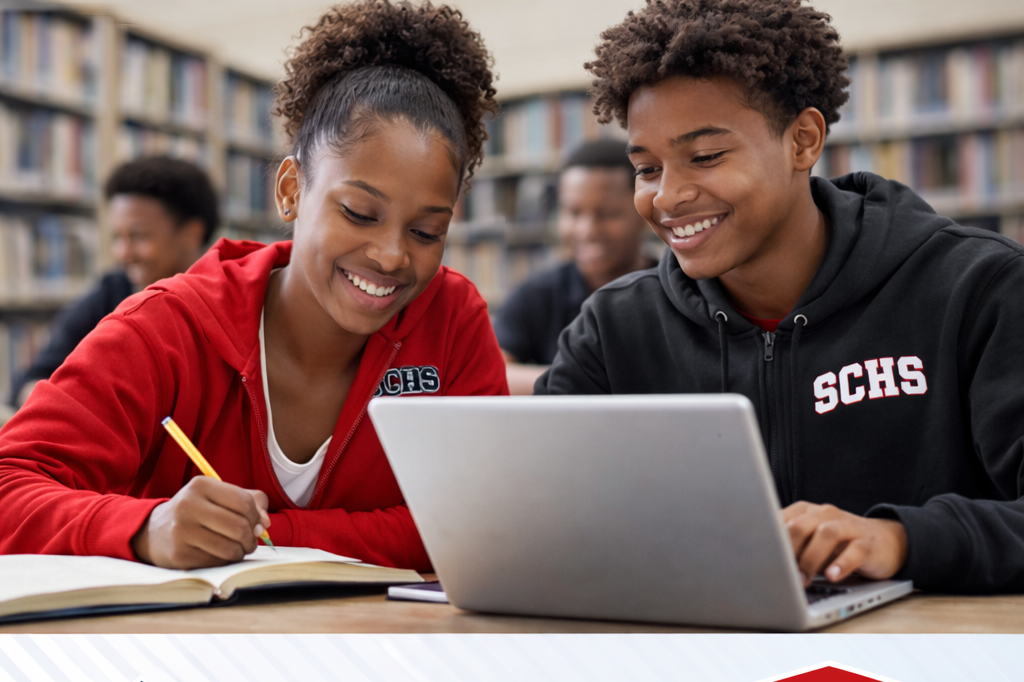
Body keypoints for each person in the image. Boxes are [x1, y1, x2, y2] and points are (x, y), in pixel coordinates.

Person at [537, 0, 1024, 593]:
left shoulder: (979, 289)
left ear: (803, 140)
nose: (666, 197)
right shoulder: (612, 330)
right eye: (646, 168)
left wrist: (900, 540)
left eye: (706, 156)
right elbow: (540, 522)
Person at [0, 0, 505, 571]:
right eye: (360, 213)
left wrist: (272, 533)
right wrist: (145, 527)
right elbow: (9, 487)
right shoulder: (168, 327)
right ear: (290, 190)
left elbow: (475, 521)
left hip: (382, 651)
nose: (391, 255)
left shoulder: (452, 318)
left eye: (425, 231)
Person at [12, 156, 218, 407]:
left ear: (191, 234)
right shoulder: (112, 292)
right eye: (117, 238)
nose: (123, 253)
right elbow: (35, 380)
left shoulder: (223, 307)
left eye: (138, 236)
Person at [494, 139, 654, 394]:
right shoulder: (537, 294)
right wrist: (585, 381)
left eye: (607, 213)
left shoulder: (676, 290)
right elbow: (495, 373)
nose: (587, 230)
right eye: (574, 212)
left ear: (644, 212)